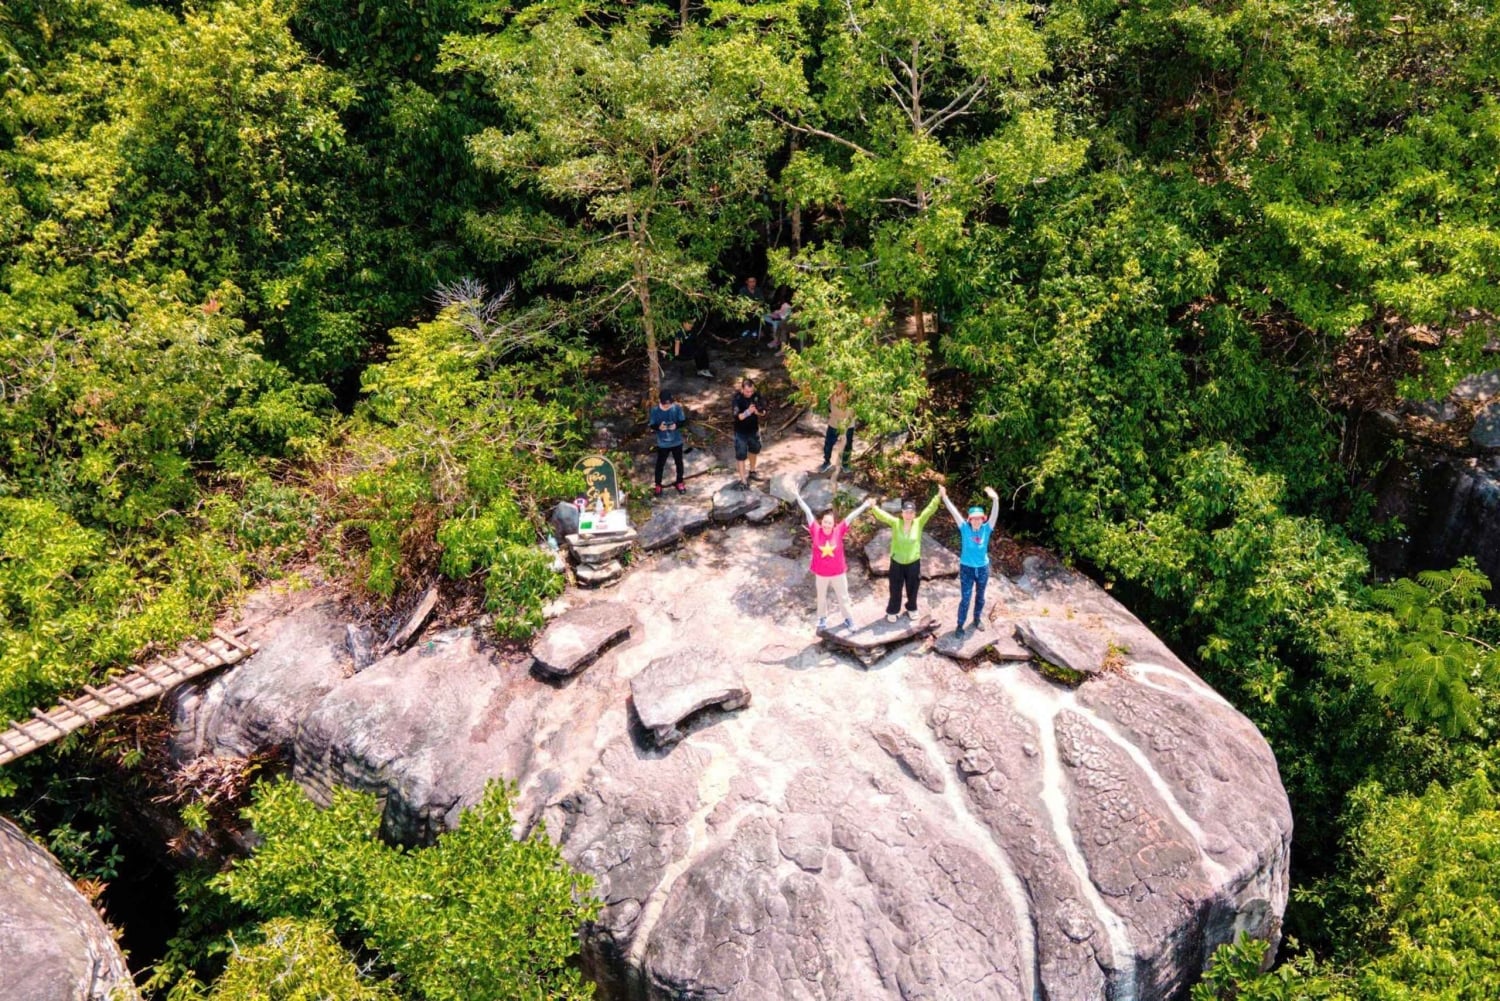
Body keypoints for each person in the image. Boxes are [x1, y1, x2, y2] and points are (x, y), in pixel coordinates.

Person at [794, 483, 874, 631]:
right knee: (821, 597)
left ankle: (848, 619)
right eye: (824, 522)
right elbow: (807, 512)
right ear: (821, 522)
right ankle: (822, 619)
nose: (826, 525)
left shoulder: (838, 531)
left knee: (843, 597)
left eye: (829, 523)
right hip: (821, 573)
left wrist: (864, 506)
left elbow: (851, 517)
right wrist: (798, 497)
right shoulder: (815, 530)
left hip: (838, 573)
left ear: (833, 524)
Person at [870, 492, 941, 621]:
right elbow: (883, 516)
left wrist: (937, 497)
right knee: (895, 587)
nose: (909, 515)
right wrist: (874, 507)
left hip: (913, 562)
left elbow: (929, 510)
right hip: (897, 562)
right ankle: (893, 610)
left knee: (913, 587)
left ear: (914, 514)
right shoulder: (896, 523)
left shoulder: (919, 522)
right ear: (902, 513)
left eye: (911, 512)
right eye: (906, 512)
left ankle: (911, 608)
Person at [940, 484, 1000, 637]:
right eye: (974, 519)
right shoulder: (964, 528)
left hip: (982, 568)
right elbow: (954, 512)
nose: (977, 521)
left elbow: (994, 515)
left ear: (982, 519)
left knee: (980, 596)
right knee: (965, 598)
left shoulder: (987, 529)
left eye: (979, 518)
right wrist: (945, 496)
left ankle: (977, 618)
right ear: (970, 519)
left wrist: (995, 499)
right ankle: (960, 625)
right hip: (966, 568)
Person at [648, 389, 687, 497]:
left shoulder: (676, 408)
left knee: (679, 462)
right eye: (665, 404)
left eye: (669, 404)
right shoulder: (655, 410)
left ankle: (679, 482)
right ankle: (658, 485)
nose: (667, 406)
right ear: (660, 401)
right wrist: (659, 427)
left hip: (676, 441)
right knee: (660, 464)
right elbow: (651, 424)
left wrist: (676, 425)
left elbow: (683, 421)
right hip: (663, 443)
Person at [731, 377, 765, 487]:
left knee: (754, 449)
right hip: (741, 432)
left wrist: (757, 412)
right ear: (742, 389)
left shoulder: (756, 395)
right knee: (741, 455)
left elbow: (763, 412)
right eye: (747, 391)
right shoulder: (737, 399)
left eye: (751, 391)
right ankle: (743, 480)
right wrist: (748, 412)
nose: (749, 393)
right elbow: (738, 417)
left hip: (753, 429)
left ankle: (752, 471)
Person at [821, 383, 854, 473]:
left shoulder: (850, 391)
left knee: (847, 445)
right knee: (828, 443)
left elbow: (852, 408)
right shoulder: (831, 390)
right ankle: (826, 462)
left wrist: (846, 422)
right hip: (834, 421)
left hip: (847, 423)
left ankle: (845, 464)